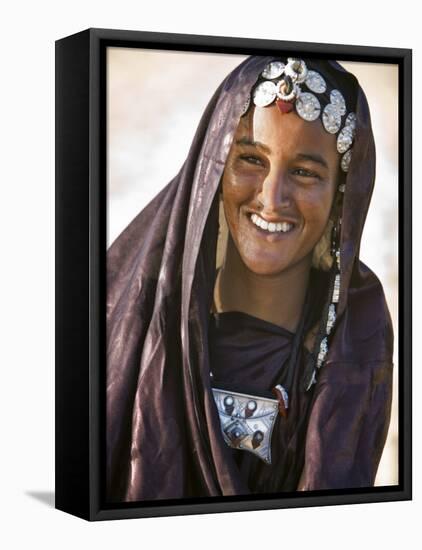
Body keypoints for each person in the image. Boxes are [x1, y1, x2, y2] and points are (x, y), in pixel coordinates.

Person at [106, 55, 394, 502]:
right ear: (213, 169)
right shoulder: (129, 322)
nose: (271, 197)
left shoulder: (355, 333)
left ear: (342, 194)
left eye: (304, 172)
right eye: (251, 160)